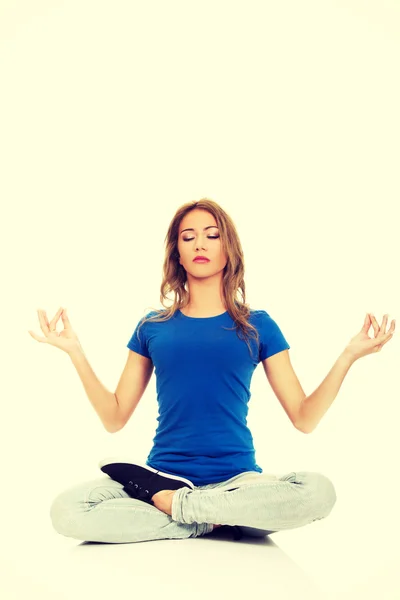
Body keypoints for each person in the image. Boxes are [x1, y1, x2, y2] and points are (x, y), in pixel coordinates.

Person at [31, 198, 393, 544]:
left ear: (228, 248)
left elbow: (304, 417)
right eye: (188, 237)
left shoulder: (258, 325)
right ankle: (204, 519)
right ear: (177, 252)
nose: (199, 244)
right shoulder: (152, 327)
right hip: (164, 478)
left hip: (238, 484)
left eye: (212, 234)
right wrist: (75, 352)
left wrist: (348, 356)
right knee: (67, 510)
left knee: (318, 492)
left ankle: (187, 511)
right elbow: (114, 417)